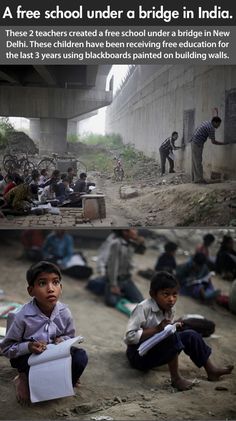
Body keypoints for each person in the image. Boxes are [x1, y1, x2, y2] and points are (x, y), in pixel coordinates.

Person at [124, 271, 233, 391]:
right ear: (153, 294)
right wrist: (157, 329)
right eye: (166, 294)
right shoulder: (142, 308)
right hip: (138, 355)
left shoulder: (170, 309)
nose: (171, 299)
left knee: (190, 334)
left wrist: (173, 326)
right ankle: (176, 379)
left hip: (155, 349)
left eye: (174, 295)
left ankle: (211, 370)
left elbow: (164, 332)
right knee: (171, 336)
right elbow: (129, 337)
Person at [1, 261, 88, 405]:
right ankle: (22, 378)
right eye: (42, 283)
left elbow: (70, 336)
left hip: (53, 353)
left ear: (61, 287)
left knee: (80, 357)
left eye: (55, 282)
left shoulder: (64, 312)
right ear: (31, 290)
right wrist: (28, 346)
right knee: (26, 367)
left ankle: (62, 381)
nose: (50, 289)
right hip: (29, 358)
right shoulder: (20, 316)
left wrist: (62, 340)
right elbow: (7, 348)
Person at [104, 229, 145, 307]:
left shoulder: (131, 243)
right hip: (117, 279)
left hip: (126, 280)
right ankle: (109, 287)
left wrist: (142, 243)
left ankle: (122, 292)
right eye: (133, 229)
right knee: (111, 302)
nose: (136, 231)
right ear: (125, 232)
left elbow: (141, 252)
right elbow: (113, 266)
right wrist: (113, 285)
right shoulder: (116, 244)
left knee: (140, 301)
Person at [191, 116, 228, 184]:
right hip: (197, 144)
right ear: (214, 122)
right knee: (198, 162)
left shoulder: (206, 122)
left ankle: (195, 179)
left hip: (194, 142)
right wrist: (224, 143)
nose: (218, 126)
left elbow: (196, 130)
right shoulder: (211, 128)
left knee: (195, 161)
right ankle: (199, 179)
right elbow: (213, 142)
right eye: (218, 124)